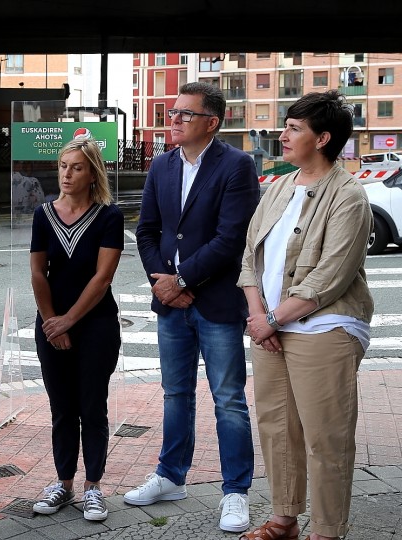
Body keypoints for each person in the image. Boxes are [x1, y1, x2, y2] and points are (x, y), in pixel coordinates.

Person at [238, 91, 373, 540]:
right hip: (271, 327)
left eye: (294, 128)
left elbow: (330, 278)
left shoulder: (349, 196)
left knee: (325, 437)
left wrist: (272, 319)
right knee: (277, 429)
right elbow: (249, 256)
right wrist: (260, 318)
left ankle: (327, 531)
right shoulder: (279, 186)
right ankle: (284, 521)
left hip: (323, 327)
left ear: (323, 138)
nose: (282, 135)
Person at [129, 81, 259, 533]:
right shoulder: (161, 166)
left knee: (228, 399)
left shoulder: (237, 166)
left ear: (211, 122)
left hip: (217, 302)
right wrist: (164, 285)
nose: (174, 120)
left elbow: (232, 239)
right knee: (175, 394)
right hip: (170, 304)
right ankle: (170, 476)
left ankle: (235, 491)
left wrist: (183, 280)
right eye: (172, 112)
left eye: (185, 114)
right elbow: (146, 232)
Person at [29, 137, 123, 521]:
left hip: (96, 325)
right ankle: (63, 485)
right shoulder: (43, 214)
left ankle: (94, 487)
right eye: (63, 166)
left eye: (77, 168)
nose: (67, 174)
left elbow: (103, 278)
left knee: (92, 406)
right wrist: (54, 323)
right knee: (62, 408)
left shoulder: (108, 216)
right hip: (51, 323)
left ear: (92, 173)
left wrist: (70, 320)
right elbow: (37, 272)